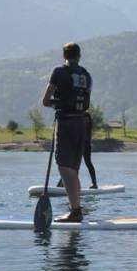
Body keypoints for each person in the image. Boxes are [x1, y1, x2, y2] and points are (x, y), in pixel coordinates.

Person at [42, 42, 92, 222]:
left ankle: (76, 211)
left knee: (64, 167)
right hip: (82, 123)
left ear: (64, 55)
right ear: (79, 56)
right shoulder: (86, 75)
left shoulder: (59, 72)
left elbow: (46, 101)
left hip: (66, 122)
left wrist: (57, 102)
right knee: (74, 169)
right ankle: (77, 209)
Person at [57, 112, 98, 189]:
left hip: (86, 146)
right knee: (70, 165)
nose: (86, 121)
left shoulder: (87, 128)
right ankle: (62, 184)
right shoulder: (79, 126)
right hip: (77, 146)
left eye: (87, 120)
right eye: (84, 119)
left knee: (88, 163)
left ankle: (94, 183)